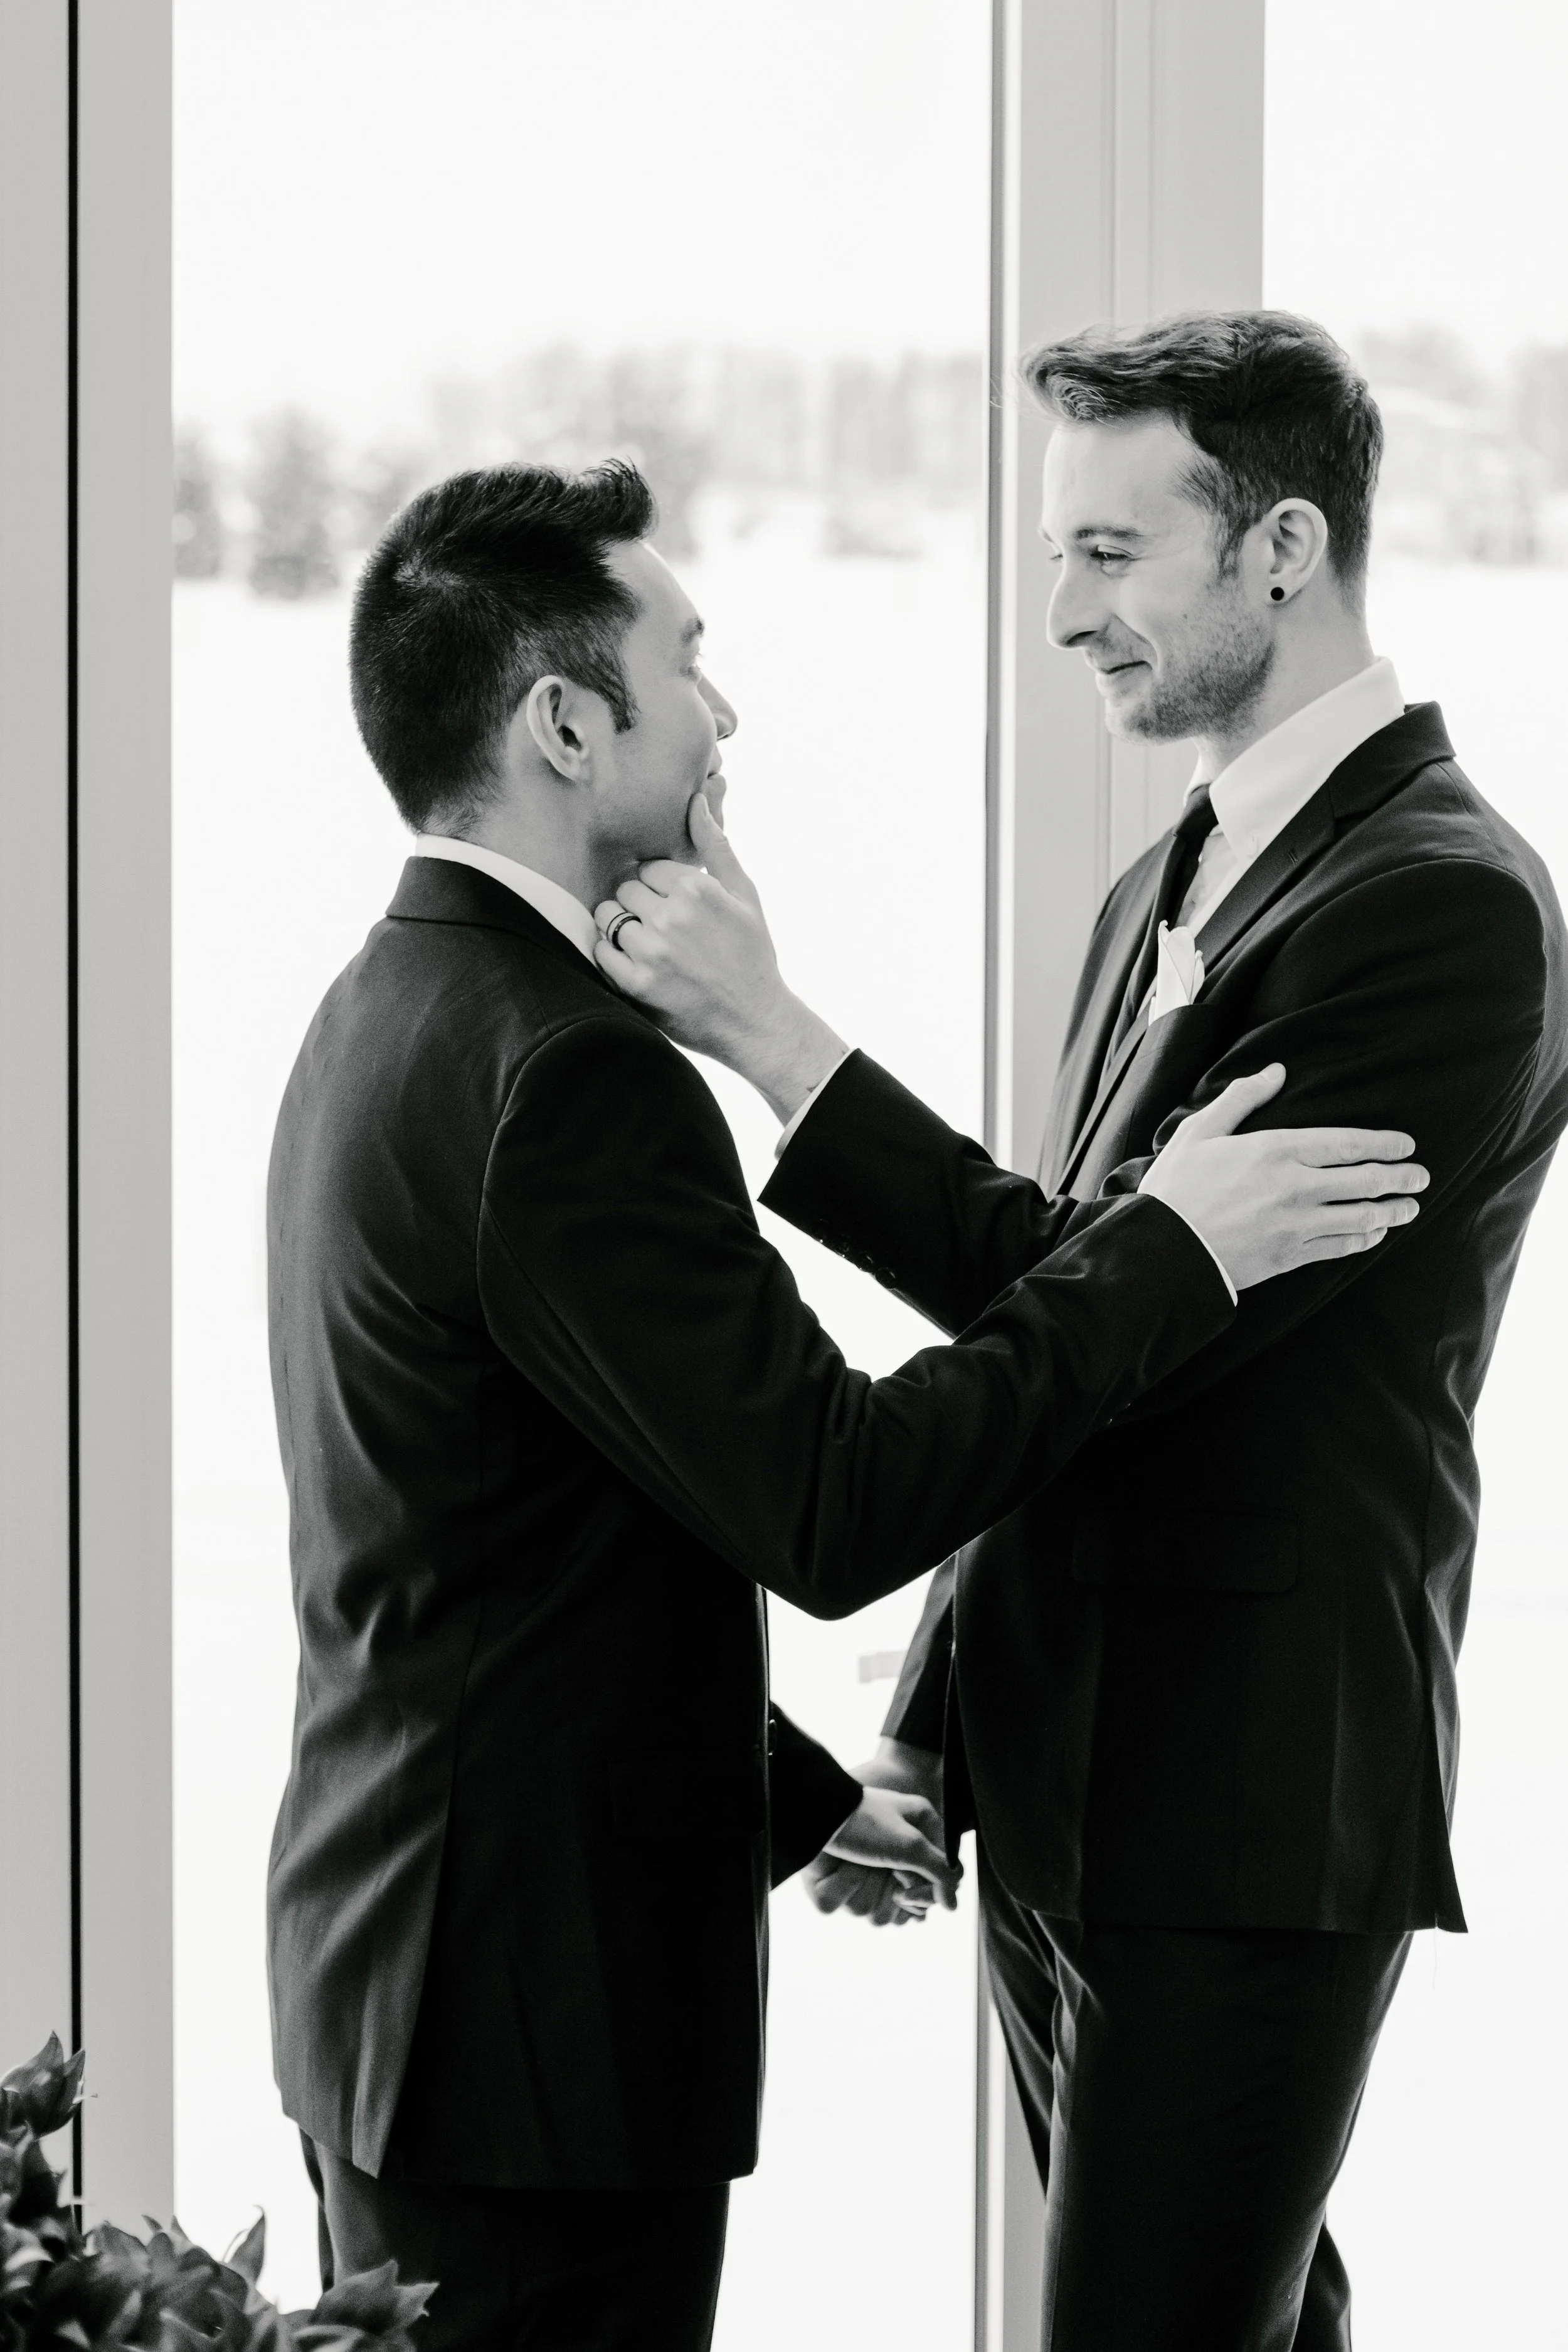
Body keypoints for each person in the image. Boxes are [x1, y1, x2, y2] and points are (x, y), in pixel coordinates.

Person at [267, 453, 1425, 2352]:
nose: (726, 714)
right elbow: (830, 1498)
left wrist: (798, 1799)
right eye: (690, 664)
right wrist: (1176, 1244)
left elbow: (527, 1535)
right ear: (565, 722)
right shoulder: (568, 1075)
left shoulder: (389, 1000)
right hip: (531, 2049)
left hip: (411, 1983)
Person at [594, 311, 1568, 2351]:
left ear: (1283, 547)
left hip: (1240, 1809)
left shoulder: (1445, 906)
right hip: (1066, 1776)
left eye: (1109, 557)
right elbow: (1086, 1340)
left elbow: (1145, 1324)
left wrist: (777, 1037)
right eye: (1058, 556)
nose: (1059, 613)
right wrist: (941, 1725)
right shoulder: (1165, 875)